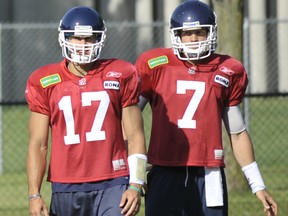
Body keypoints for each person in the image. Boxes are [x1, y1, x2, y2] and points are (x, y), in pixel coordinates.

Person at [135, 1, 277, 216]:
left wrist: (258, 185)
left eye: (200, 32)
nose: (193, 39)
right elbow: (129, 122)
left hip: (209, 172)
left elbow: (237, 133)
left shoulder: (228, 69)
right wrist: (134, 176)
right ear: (177, 35)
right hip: (164, 168)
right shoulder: (155, 64)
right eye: (187, 33)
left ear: (211, 32)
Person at [25, 6, 147, 216]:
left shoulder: (120, 73)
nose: (82, 45)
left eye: (89, 38)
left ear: (99, 39)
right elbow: (38, 144)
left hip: (113, 181)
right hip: (66, 185)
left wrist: (136, 183)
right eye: (76, 38)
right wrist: (34, 194)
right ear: (65, 39)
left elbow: (136, 134)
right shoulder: (44, 81)